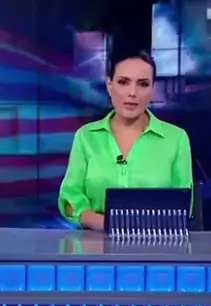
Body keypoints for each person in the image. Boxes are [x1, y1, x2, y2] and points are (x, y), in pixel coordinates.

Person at [58, 51, 193, 231]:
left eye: (143, 84)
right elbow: (69, 196)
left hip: (157, 242)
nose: (132, 93)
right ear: (110, 85)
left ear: (152, 89)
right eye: (123, 82)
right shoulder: (86, 136)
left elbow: (183, 204)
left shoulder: (176, 139)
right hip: (94, 242)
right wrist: (101, 222)